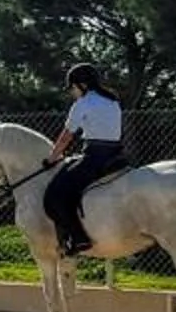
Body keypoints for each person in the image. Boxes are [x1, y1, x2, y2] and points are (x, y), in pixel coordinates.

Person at [42, 61, 126, 258]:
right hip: (116, 154)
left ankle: (79, 238)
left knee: (56, 195)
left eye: (72, 87)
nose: (71, 92)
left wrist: (52, 158)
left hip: (95, 157)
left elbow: (66, 135)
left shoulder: (83, 103)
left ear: (82, 85)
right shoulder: (112, 100)